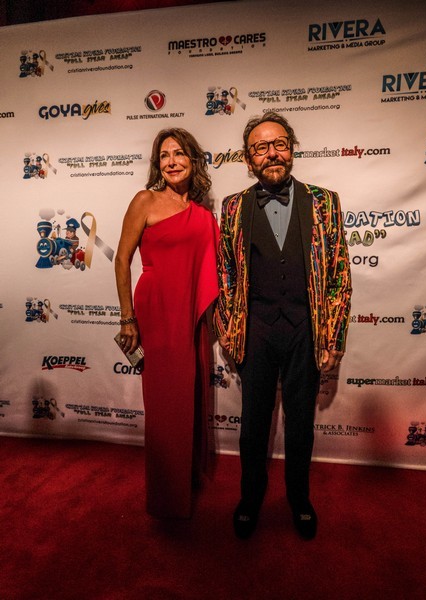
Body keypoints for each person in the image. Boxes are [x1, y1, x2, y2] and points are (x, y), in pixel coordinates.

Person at [214, 112, 352, 539]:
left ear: (291, 149)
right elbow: (226, 272)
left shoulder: (325, 201)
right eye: (261, 147)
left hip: (305, 329)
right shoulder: (233, 206)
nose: (271, 153)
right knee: (253, 423)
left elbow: (339, 274)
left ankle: (299, 499)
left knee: (300, 424)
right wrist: (228, 327)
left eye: (279, 144)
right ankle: (250, 498)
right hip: (254, 329)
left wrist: (333, 336)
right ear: (248, 159)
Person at [115, 128, 219, 519]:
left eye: (179, 154)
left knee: (187, 398)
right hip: (156, 311)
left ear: (193, 160)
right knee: (163, 405)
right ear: (157, 164)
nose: (171, 161)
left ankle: (185, 477)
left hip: (189, 313)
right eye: (164, 155)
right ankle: (165, 495)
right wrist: (127, 317)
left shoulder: (204, 216)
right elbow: (121, 259)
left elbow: (213, 272)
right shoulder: (145, 200)